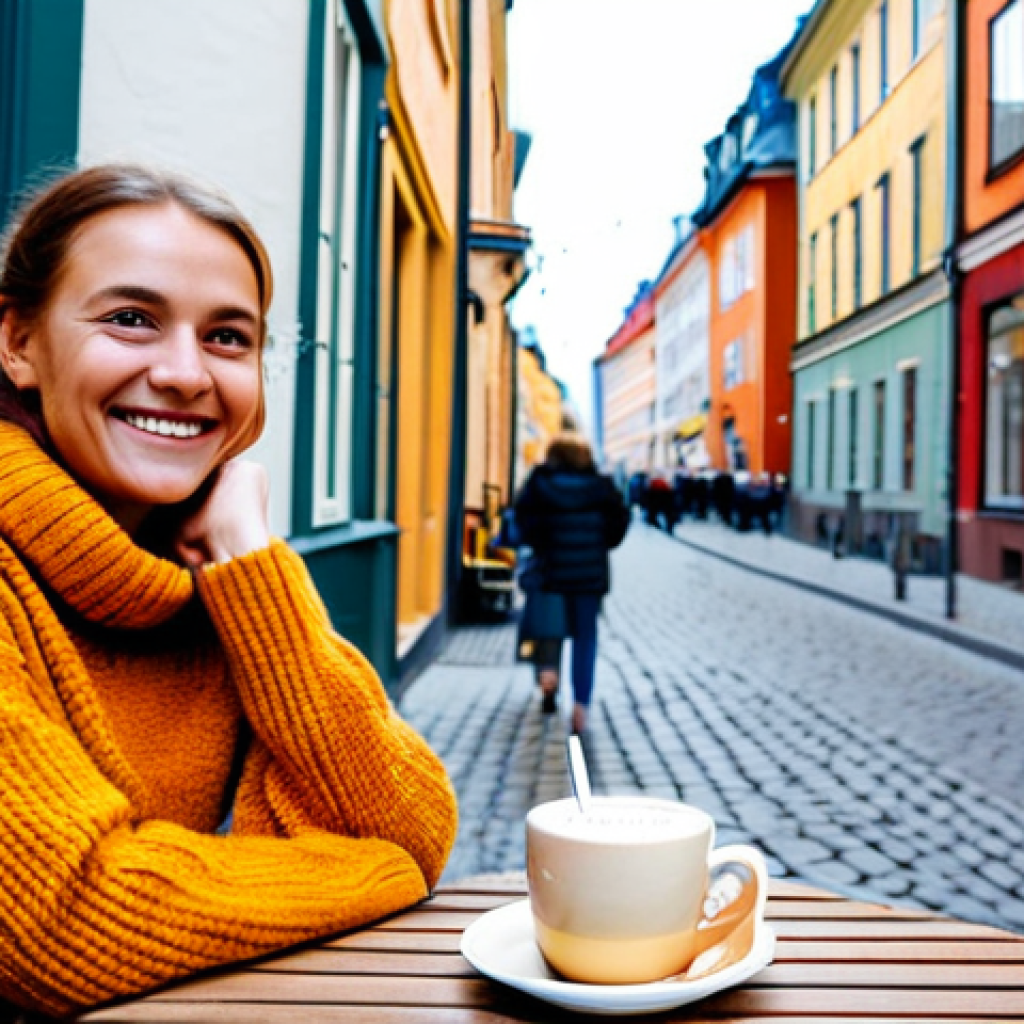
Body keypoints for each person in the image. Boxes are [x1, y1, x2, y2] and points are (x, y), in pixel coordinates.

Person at [0, 164, 458, 1018]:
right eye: (131, 320)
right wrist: (375, 870)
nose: (184, 373)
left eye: (228, 338)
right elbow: (63, 922)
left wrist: (249, 560)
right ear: (18, 342)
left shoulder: (213, 582)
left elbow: (411, 812)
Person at [513, 432, 629, 734]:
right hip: (588, 576)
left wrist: (542, 542)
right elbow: (619, 523)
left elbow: (523, 522)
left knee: (549, 632)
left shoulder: (540, 482)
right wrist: (600, 543)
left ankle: (549, 683)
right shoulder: (601, 486)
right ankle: (581, 704)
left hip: (550, 572)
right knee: (585, 637)